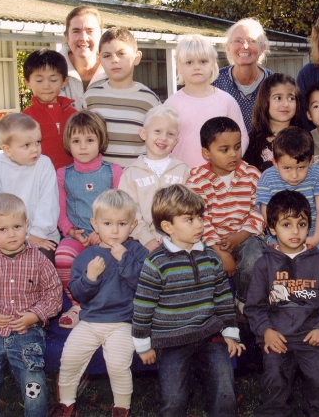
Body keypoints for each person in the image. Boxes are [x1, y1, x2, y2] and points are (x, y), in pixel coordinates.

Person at [132, 184, 245, 417]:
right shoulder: (156, 263)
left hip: (209, 335)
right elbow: (143, 306)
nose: (200, 224)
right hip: (171, 340)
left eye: (200, 217)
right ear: (167, 227)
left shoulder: (211, 258)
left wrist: (230, 333)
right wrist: (143, 345)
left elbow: (223, 298)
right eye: (189, 220)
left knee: (224, 394)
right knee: (173, 401)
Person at [50, 190, 149, 417]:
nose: (114, 230)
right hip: (90, 321)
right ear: (95, 224)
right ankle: (66, 404)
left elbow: (144, 284)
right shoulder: (86, 256)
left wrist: (124, 259)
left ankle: (122, 407)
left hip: (123, 322)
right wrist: (90, 277)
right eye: (107, 223)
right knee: (70, 356)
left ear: (132, 225)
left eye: (121, 223)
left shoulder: (136, 252)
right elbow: (79, 294)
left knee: (117, 362)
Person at [0, 193, 62, 417]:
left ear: (26, 225)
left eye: (16, 226)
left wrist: (34, 315)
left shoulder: (38, 260)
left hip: (27, 333)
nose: (11, 234)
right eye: (2, 229)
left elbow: (54, 294)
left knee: (33, 386)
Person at [244, 190, 319, 417]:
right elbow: (254, 306)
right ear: (273, 228)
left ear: (309, 226)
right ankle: (274, 411)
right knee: (274, 379)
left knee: (318, 377)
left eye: (302, 224)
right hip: (278, 337)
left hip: (311, 337)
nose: (295, 231)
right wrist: (265, 331)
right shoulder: (264, 265)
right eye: (287, 224)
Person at [186, 116, 266, 308]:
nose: (233, 154)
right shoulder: (197, 181)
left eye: (237, 147)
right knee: (202, 267)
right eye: (224, 150)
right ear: (206, 152)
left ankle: (243, 304)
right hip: (209, 240)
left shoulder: (252, 174)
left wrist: (241, 235)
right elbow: (199, 219)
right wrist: (221, 252)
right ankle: (214, 312)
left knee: (255, 258)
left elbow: (259, 211)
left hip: (246, 236)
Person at [54, 111, 124, 329]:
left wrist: (104, 234)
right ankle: (77, 305)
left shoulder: (113, 171)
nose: (83, 147)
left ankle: (108, 306)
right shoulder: (63, 174)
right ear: (68, 143)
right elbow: (60, 210)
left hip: (109, 235)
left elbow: (121, 208)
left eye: (90, 140)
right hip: (78, 235)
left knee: (120, 259)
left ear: (100, 141)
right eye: (76, 141)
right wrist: (71, 232)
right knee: (63, 255)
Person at [256, 126, 319, 279]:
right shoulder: (267, 178)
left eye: (301, 167)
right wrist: (283, 239)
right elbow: (267, 215)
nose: (294, 175)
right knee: (279, 272)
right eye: (287, 168)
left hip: (314, 231)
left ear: (311, 161)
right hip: (280, 235)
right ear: (275, 162)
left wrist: (315, 239)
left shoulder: (317, 174)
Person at [0, 113, 59, 263]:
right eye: (26, 145)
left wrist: (38, 234)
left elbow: (49, 202)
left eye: (38, 142)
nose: (35, 149)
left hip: (41, 234)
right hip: (7, 235)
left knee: (40, 259)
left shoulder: (44, 164)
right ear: (7, 149)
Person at [164, 34, 249, 169]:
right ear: (178, 66)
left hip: (219, 178)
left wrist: (231, 160)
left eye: (203, 61)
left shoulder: (226, 101)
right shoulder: (171, 104)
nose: (197, 67)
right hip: (182, 178)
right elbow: (163, 141)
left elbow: (242, 135)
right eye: (189, 62)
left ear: (213, 64)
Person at [84, 27, 161, 167]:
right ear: (99, 59)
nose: (114, 60)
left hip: (136, 181)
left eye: (121, 54)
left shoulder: (149, 100)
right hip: (100, 182)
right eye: (107, 55)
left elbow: (159, 143)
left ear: (137, 58)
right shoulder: (90, 98)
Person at [118, 105, 189, 252]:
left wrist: (174, 235)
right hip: (140, 242)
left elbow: (188, 208)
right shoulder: (131, 173)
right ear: (143, 134)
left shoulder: (182, 170)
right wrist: (147, 239)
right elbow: (129, 212)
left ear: (176, 141)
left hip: (177, 240)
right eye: (157, 131)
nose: (163, 138)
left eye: (170, 134)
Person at [212, 18, 273, 132]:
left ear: (262, 48)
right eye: (238, 41)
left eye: (251, 41)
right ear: (228, 48)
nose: (244, 46)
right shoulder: (215, 81)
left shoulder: (273, 83)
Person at [22, 48, 75, 170]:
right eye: (39, 80)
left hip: (70, 181)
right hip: (38, 182)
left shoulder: (75, 116)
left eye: (53, 80)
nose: (46, 86)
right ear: (27, 82)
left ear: (64, 82)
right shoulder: (24, 119)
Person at [243, 73, 306, 173]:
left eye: (291, 98)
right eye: (278, 98)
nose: (285, 104)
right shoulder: (252, 141)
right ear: (264, 101)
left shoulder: (304, 137)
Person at [60, 5, 108, 109]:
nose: (83, 38)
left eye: (90, 31)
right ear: (67, 37)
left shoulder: (113, 72)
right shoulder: (53, 72)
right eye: (76, 31)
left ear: (101, 35)